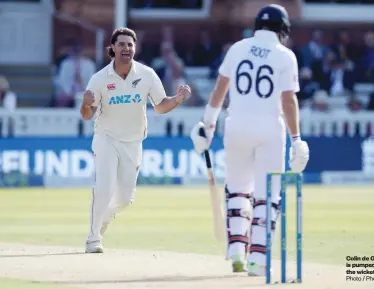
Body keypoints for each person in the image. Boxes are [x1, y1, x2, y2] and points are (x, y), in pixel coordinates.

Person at [190, 4, 309, 276]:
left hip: (237, 125)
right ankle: (258, 258)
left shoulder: (238, 48)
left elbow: (221, 88)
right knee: (268, 195)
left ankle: (236, 253)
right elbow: (288, 100)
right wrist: (297, 139)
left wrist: (207, 125)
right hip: (269, 128)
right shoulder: (285, 55)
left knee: (238, 189)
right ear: (283, 31)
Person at [80, 28, 191, 253]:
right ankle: (93, 238)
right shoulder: (100, 78)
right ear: (112, 48)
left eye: (130, 45)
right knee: (104, 186)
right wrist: (85, 103)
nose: (126, 49)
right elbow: (87, 114)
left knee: (124, 199)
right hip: (106, 137)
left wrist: (177, 99)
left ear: (135, 48)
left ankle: (104, 218)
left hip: (133, 142)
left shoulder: (147, 74)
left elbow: (160, 106)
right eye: (121, 44)